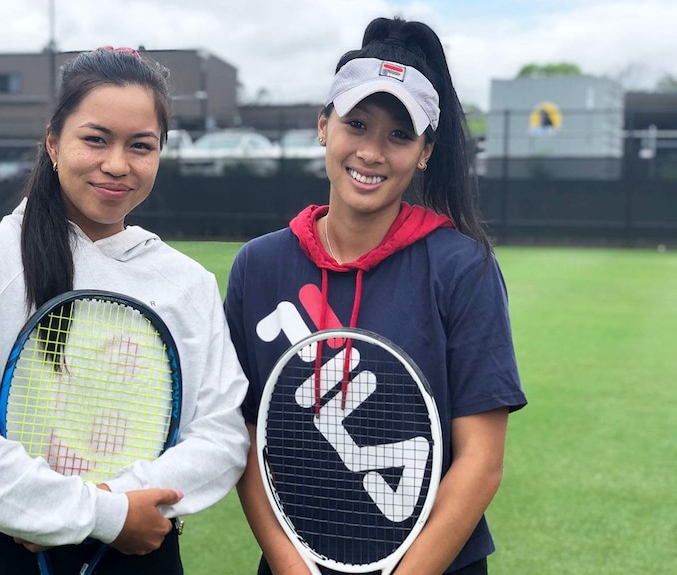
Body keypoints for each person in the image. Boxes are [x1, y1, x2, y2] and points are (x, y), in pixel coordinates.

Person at [0, 46, 249, 575]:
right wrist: (102, 513)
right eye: (95, 139)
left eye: (141, 146)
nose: (117, 164)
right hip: (16, 557)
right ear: (53, 142)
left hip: (146, 553)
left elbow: (223, 438)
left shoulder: (187, 284)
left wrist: (118, 504)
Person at [224, 17, 527, 575]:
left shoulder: (463, 269)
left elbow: (481, 463)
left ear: (425, 152)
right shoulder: (258, 267)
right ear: (323, 126)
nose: (371, 151)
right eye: (357, 124)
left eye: (399, 135)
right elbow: (245, 436)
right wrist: (290, 566)